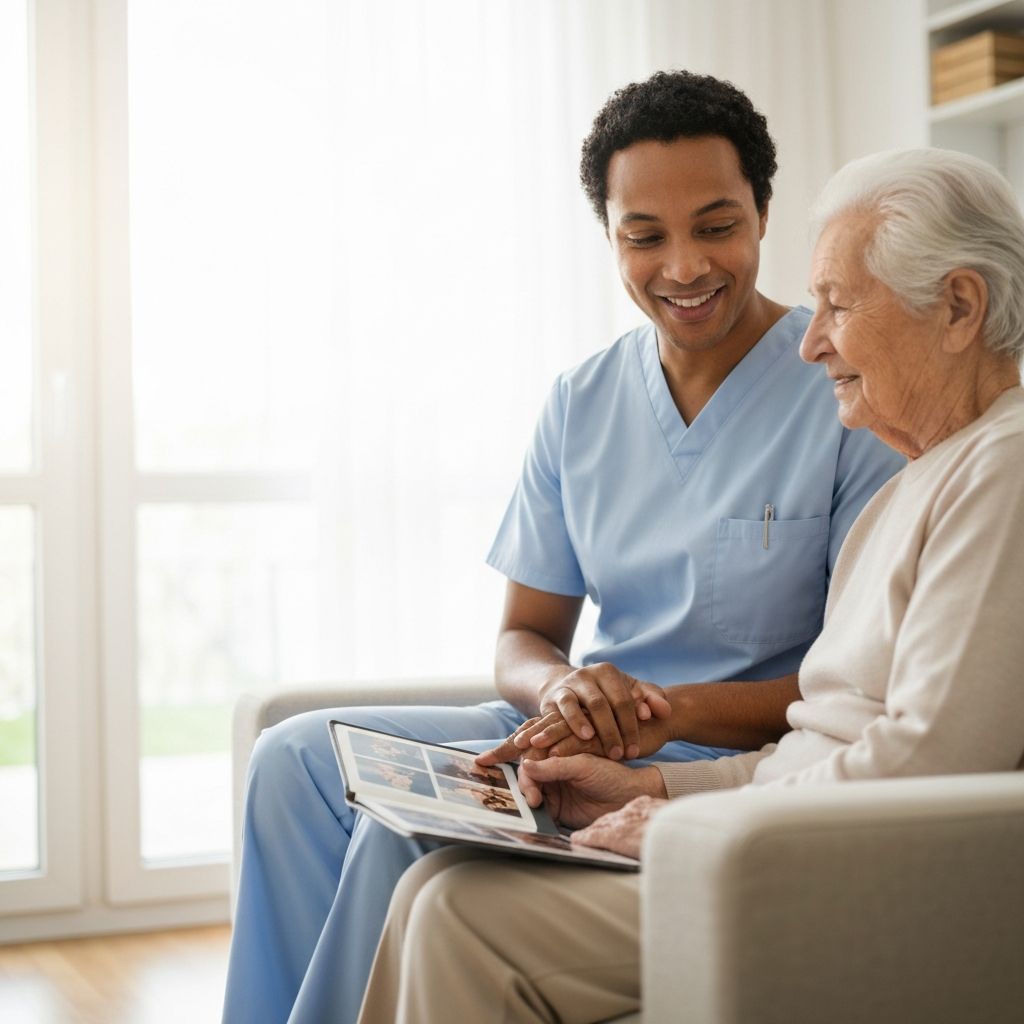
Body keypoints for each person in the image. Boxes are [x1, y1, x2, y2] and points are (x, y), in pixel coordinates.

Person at [221, 71, 902, 1024]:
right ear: (610, 237)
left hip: (724, 747)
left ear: (762, 215)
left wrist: (662, 714)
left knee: (397, 831)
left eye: (715, 226)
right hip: (581, 728)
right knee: (293, 759)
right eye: (644, 236)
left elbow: (860, 685)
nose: (684, 267)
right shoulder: (581, 402)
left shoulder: (845, 396)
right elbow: (522, 638)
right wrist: (564, 690)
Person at [355, 146, 1024, 1024]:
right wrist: (656, 792)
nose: (812, 341)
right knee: (432, 884)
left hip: (841, 876)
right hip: (788, 840)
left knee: (457, 911)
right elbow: (822, 744)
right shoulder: (925, 480)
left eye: (838, 305)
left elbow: (929, 765)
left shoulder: (1005, 472)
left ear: (959, 308)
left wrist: (686, 825)